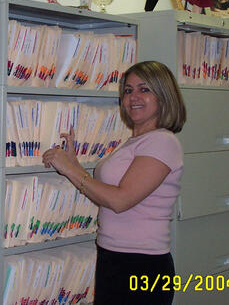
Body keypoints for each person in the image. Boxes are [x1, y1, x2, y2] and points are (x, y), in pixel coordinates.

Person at [42, 60, 186, 305]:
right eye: (128, 91)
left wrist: (70, 170)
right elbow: (108, 191)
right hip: (114, 258)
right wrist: (74, 165)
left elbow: (120, 200)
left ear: (163, 96)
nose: (133, 97)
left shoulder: (163, 142)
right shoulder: (134, 142)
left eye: (144, 89)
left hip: (143, 266)